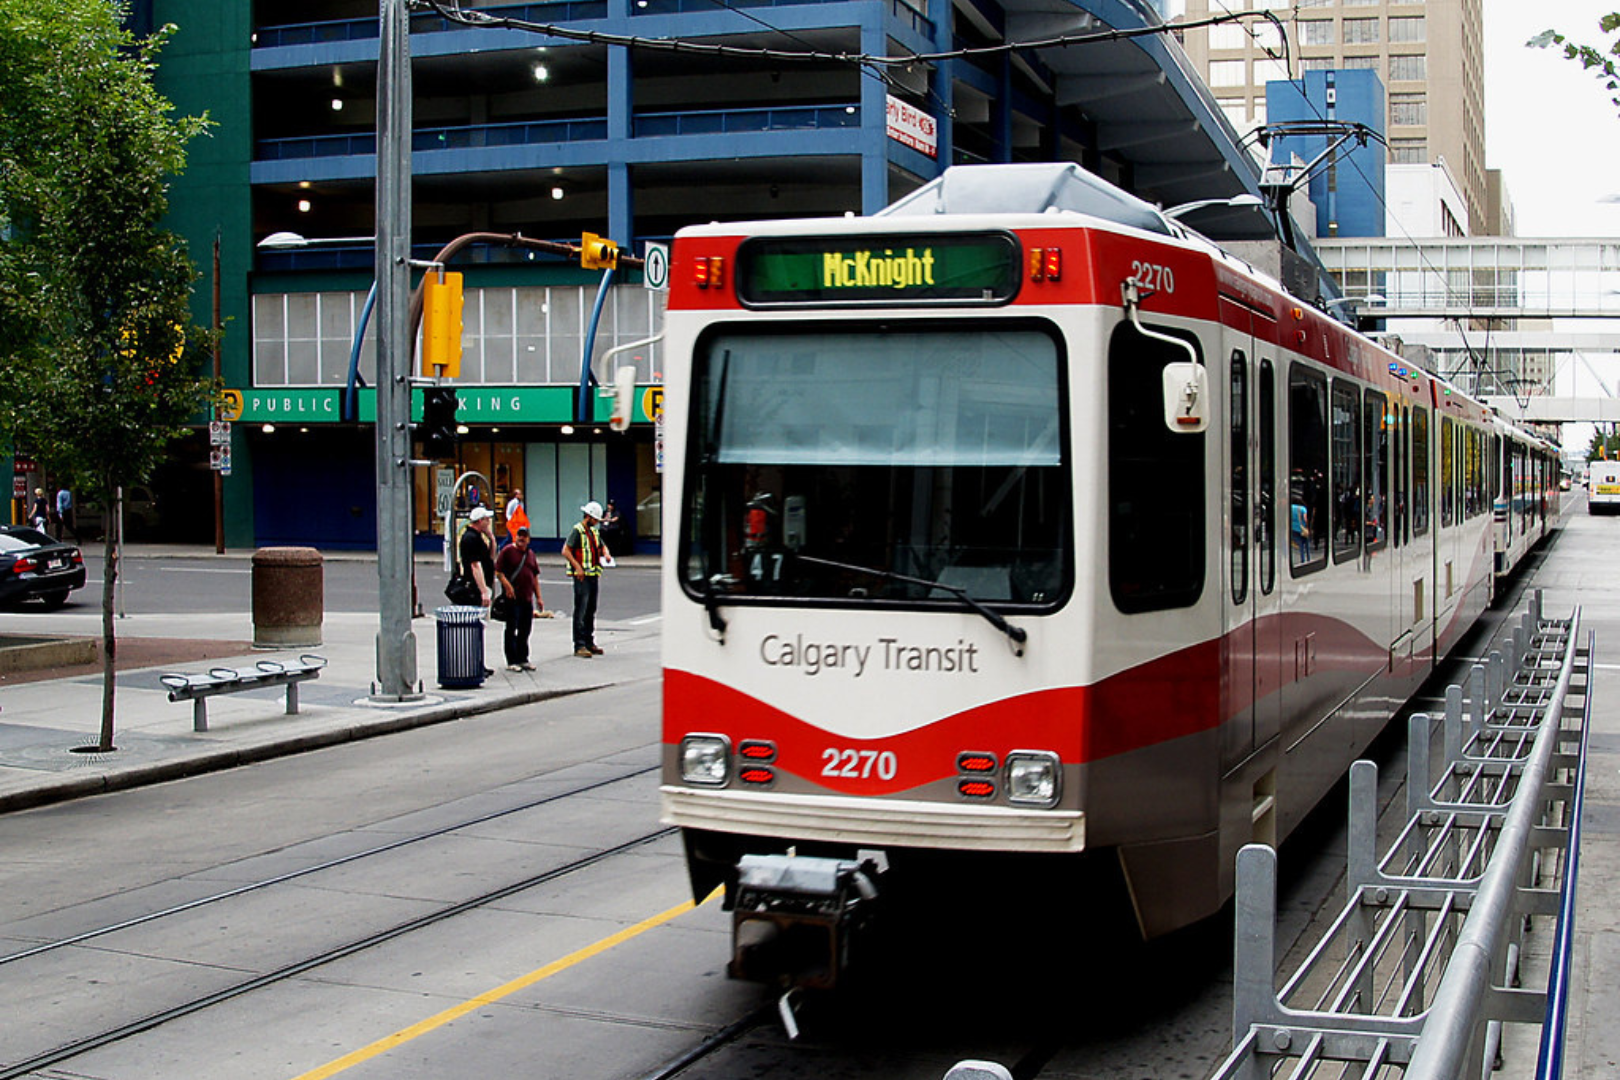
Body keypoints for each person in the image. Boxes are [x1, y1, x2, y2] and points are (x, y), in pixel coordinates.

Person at [562, 500, 610, 658]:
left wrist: (606, 553)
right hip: (582, 577)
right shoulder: (578, 530)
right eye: (595, 519)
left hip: (593, 575)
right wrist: (577, 567)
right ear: (588, 517)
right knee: (581, 610)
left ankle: (589, 641)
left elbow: (601, 546)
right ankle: (579, 644)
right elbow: (566, 551)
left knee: (591, 610)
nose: (597, 523)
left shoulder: (594, 532)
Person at [494, 526, 544, 671]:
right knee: (511, 629)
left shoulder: (530, 555)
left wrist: (539, 597)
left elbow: (534, 577)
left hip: (527, 598)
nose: (522, 539)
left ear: (528, 539)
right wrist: (507, 586)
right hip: (512, 598)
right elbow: (498, 572)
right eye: (519, 536)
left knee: (525, 629)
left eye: (524, 536)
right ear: (515, 537)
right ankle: (512, 660)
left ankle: (523, 658)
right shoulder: (508, 551)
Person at [458, 506, 497, 608]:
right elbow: (475, 565)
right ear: (480, 521)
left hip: (483, 584)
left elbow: (491, 557)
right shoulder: (470, 538)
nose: (489, 522)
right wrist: (483, 591)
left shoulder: (478, 536)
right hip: (476, 587)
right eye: (487, 519)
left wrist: (492, 539)